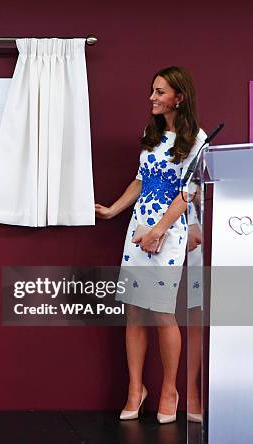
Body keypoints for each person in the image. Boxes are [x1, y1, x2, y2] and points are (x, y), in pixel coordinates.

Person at [95, 66, 205, 424]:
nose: (152, 98)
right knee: (134, 311)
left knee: (160, 312)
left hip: (169, 234)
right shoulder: (150, 134)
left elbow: (187, 195)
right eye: (152, 91)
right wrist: (113, 210)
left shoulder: (198, 140)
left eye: (160, 92)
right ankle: (135, 389)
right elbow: (141, 181)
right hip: (138, 230)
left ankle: (170, 390)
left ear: (179, 97)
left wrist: (160, 230)